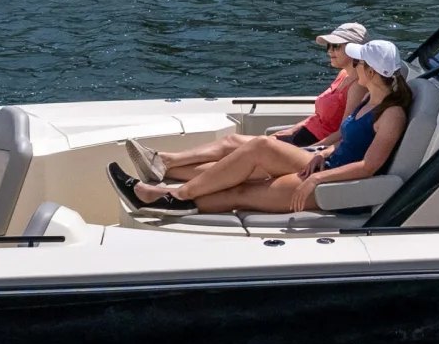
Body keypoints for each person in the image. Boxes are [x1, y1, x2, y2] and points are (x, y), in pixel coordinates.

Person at [114, 40, 411, 215]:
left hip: (338, 183)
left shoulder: (391, 114)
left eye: (359, 63)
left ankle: (170, 197)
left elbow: (369, 166)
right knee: (260, 147)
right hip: (327, 164)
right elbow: (348, 141)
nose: (354, 67)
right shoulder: (370, 98)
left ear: (372, 72)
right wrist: (324, 152)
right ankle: (171, 190)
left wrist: (318, 179)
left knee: (242, 191)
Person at [141, 21, 366, 178]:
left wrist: (313, 149)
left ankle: (166, 165)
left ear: (354, 49)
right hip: (303, 134)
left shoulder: (357, 85)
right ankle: (166, 162)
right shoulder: (343, 74)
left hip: (313, 143)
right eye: (329, 46)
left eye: (336, 46)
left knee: (234, 156)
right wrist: (291, 130)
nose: (329, 51)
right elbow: (319, 116)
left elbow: (343, 131)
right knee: (232, 145)